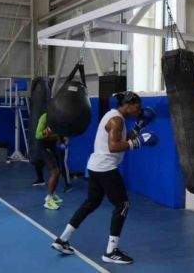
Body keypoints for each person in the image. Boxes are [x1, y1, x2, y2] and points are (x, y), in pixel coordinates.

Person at [51, 92, 157, 264]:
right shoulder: (117, 120)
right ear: (128, 105)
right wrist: (138, 142)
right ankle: (111, 251)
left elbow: (122, 139)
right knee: (122, 204)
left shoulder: (115, 116)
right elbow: (114, 146)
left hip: (95, 166)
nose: (139, 111)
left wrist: (138, 128)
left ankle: (62, 239)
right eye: (137, 107)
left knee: (91, 203)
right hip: (105, 168)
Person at [35, 112, 63, 210]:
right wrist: (47, 131)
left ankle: (53, 193)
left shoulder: (62, 117)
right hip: (43, 145)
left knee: (58, 171)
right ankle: (48, 201)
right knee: (54, 172)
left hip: (52, 144)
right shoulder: (45, 117)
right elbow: (37, 135)